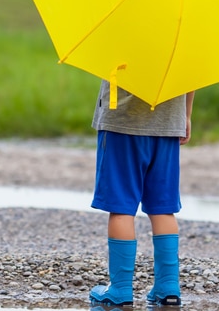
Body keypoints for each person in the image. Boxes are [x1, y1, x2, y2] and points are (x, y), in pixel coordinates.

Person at [87, 81, 194, 307]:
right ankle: (168, 287)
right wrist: (186, 115)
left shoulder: (118, 42)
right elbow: (190, 74)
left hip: (122, 125)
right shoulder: (180, 45)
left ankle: (121, 289)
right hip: (168, 125)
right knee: (164, 208)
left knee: (121, 207)